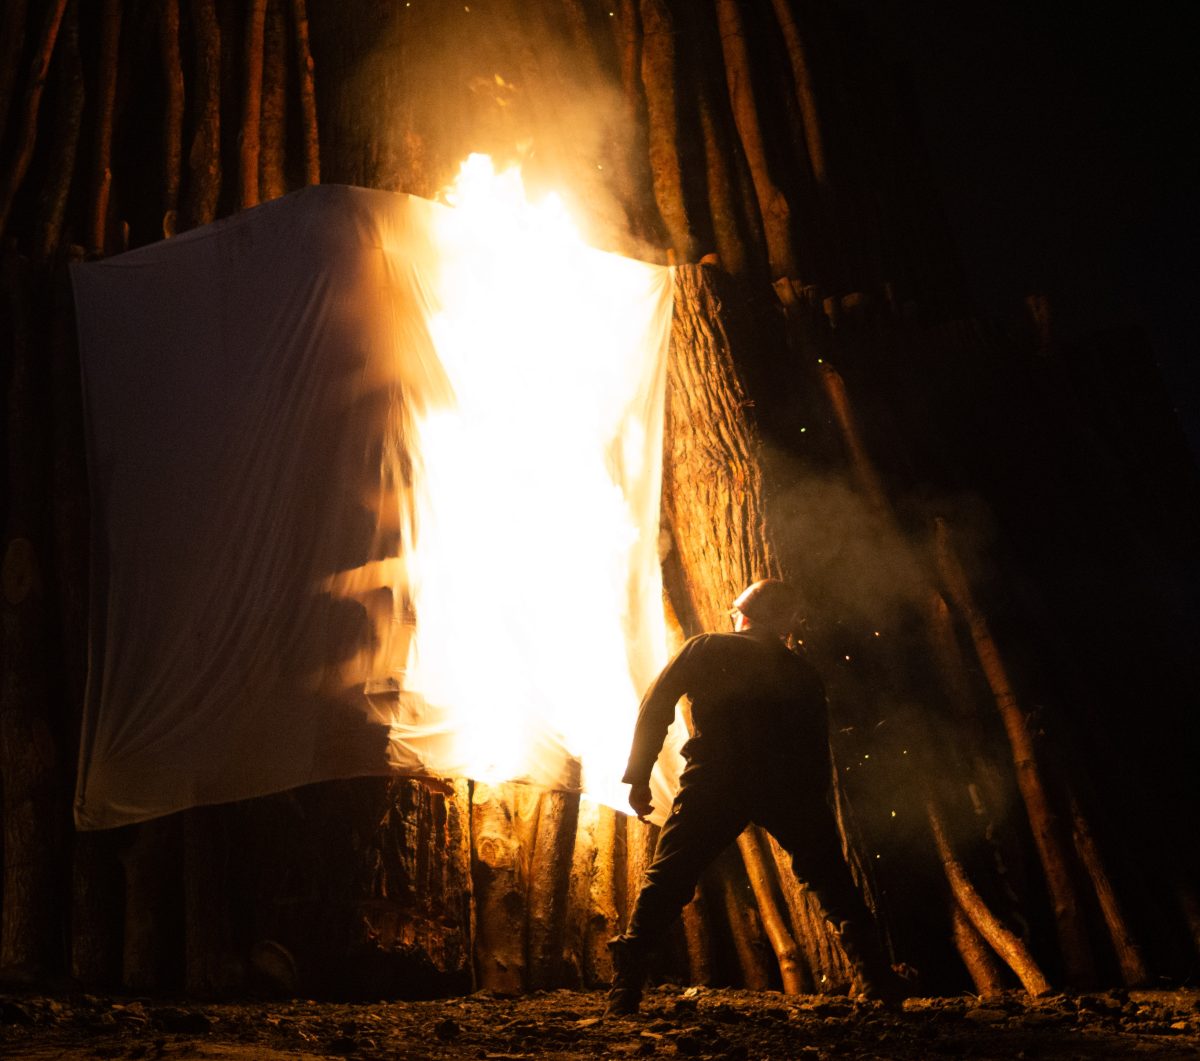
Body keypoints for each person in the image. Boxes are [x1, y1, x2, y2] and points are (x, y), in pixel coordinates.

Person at [607, 578, 900, 1015]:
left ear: (740, 614)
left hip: (716, 779)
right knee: (829, 879)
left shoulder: (706, 647)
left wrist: (638, 775)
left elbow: (657, 704)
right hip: (786, 785)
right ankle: (876, 980)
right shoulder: (802, 671)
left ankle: (625, 988)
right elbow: (816, 746)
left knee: (669, 876)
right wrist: (812, 802)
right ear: (784, 625)